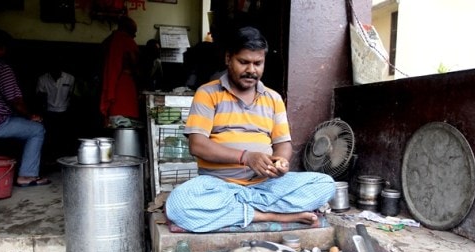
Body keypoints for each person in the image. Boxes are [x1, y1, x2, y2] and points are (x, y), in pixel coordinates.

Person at [165, 26, 336, 232]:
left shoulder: (273, 98)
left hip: (264, 186)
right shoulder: (207, 93)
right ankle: (270, 215)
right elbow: (197, 145)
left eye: (258, 63)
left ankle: (236, 212)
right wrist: (246, 157)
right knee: (178, 204)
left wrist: (280, 162)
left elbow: (283, 144)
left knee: (326, 184)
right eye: (243, 62)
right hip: (218, 185)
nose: (251, 70)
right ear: (228, 58)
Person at [0, 29, 50, 187]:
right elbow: (16, 101)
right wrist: (31, 115)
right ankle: (27, 176)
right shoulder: (1, 68)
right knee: (37, 129)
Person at [100, 16, 140, 124]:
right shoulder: (127, 42)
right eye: (133, 32)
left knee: (114, 119)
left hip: (110, 82)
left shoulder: (110, 40)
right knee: (126, 119)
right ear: (127, 29)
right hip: (124, 85)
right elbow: (135, 65)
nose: (135, 35)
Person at [35, 58, 76, 163]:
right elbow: (40, 97)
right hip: (49, 112)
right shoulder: (43, 79)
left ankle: (63, 160)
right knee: (49, 138)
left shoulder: (70, 78)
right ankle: (50, 160)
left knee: (63, 138)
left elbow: (72, 95)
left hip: (64, 112)